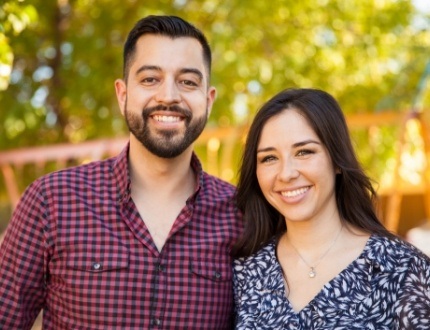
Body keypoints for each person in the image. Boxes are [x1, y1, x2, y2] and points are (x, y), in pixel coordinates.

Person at [0, 15, 242, 329]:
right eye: (150, 79)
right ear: (122, 93)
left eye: (188, 82)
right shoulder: (51, 201)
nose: (168, 96)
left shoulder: (242, 215)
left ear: (208, 101)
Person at [232, 88, 430, 329]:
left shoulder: (403, 268)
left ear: (337, 160)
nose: (286, 174)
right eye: (269, 158)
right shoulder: (244, 272)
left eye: (304, 152)